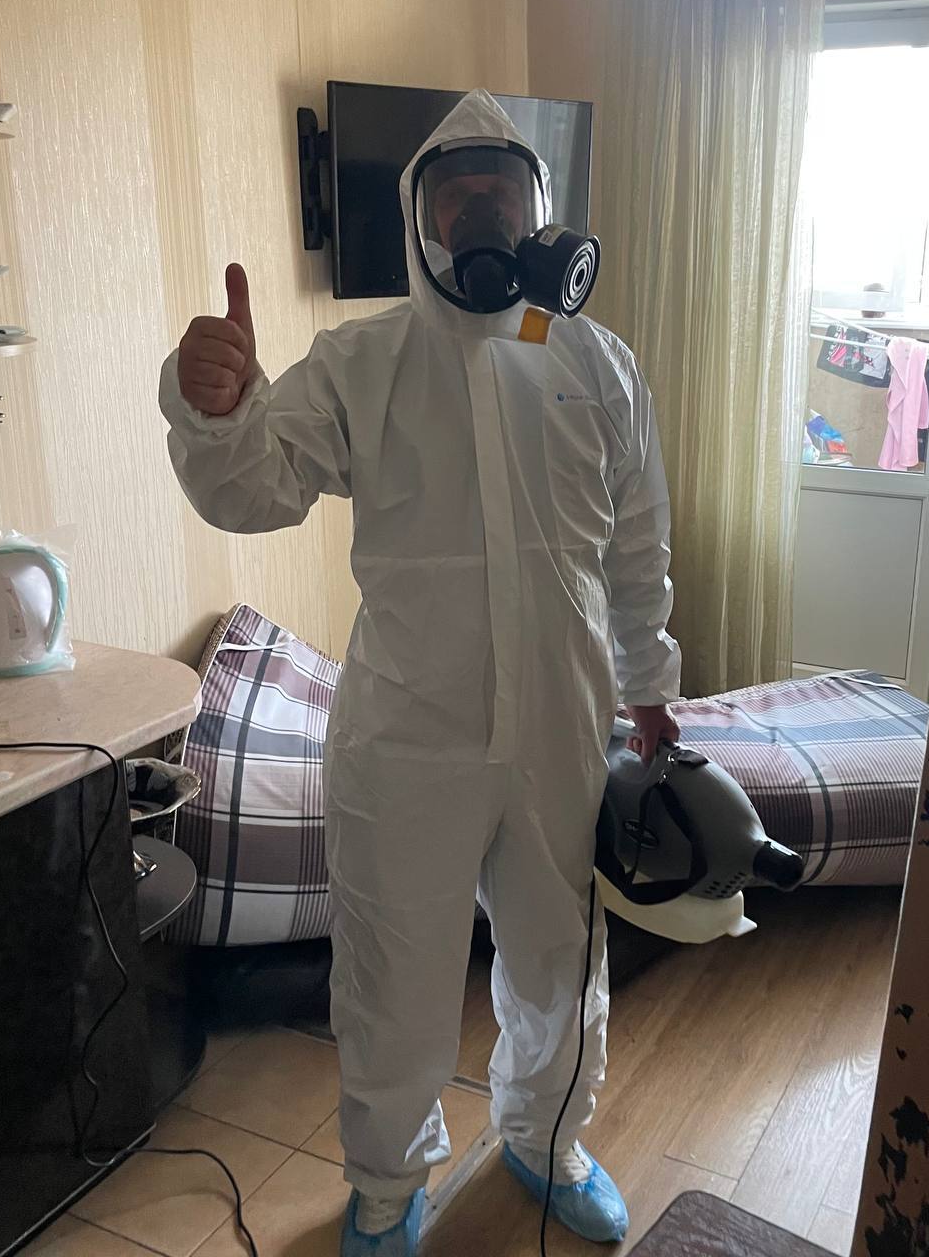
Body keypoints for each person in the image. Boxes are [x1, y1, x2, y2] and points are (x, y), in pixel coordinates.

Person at [159, 90, 681, 1257]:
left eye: (503, 187)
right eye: (457, 190)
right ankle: (387, 1189)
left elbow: (638, 541)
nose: (481, 205)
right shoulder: (363, 362)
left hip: (560, 727)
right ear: (420, 218)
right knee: (393, 975)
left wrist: (648, 679)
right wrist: (217, 410)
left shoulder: (594, 362)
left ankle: (547, 1140)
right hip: (406, 739)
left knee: (558, 957)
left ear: (539, 208)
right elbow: (254, 484)